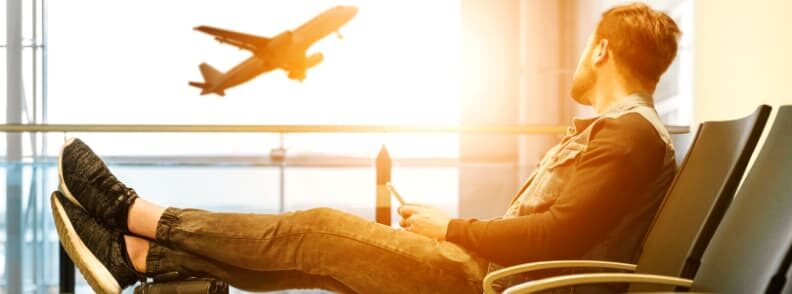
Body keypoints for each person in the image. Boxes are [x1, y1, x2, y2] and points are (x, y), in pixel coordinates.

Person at [51, 3, 681, 293]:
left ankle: (134, 215)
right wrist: (452, 228)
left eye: (583, 48)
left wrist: (454, 227)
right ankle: (138, 259)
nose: (577, 60)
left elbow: (556, 239)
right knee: (321, 260)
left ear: (600, 50)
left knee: (316, 231)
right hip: (496, 275)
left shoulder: (627, 137)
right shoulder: (620, 135)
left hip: (492, 284)